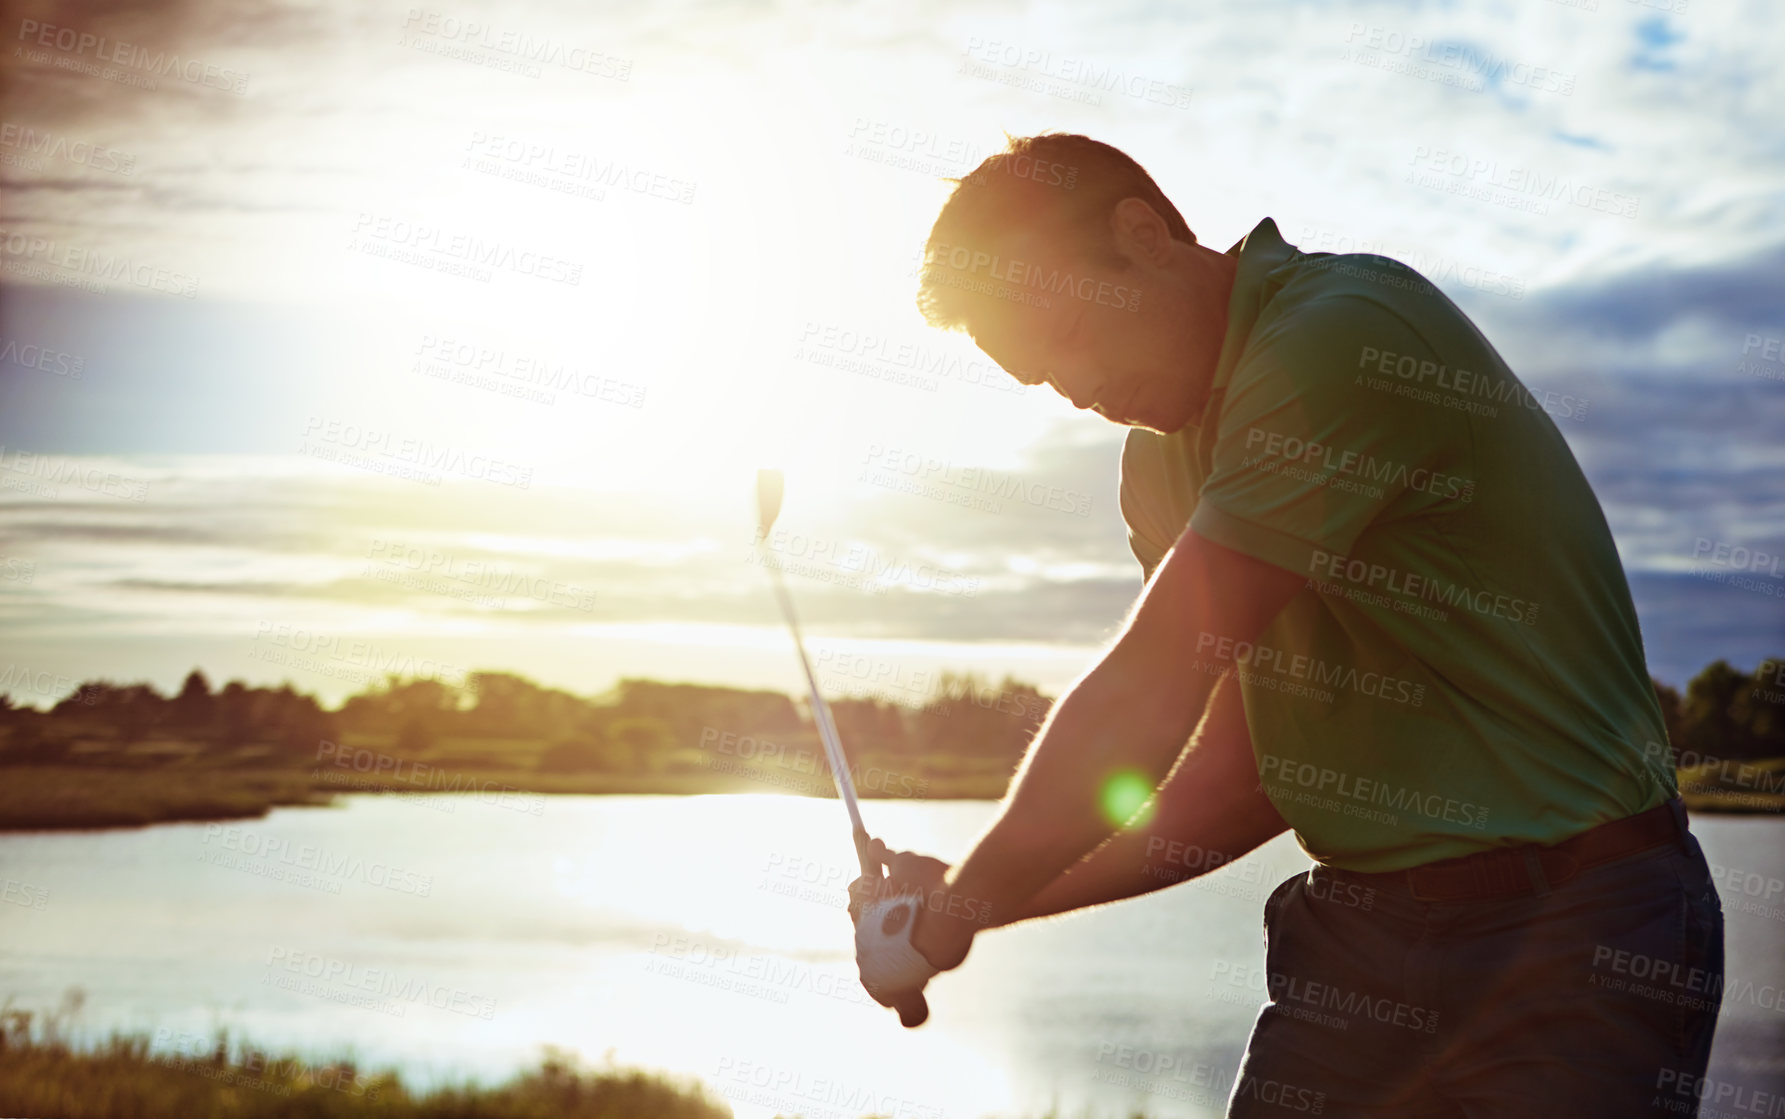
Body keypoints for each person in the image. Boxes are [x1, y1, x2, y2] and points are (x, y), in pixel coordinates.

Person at [846, 132, 1724, 1118]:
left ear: (1141, 236)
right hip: (1357, 936)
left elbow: (1155, 678)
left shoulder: (1345, 334)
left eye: (1070, 338)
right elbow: (1237, 780)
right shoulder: (1156, 467)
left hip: (1581, 929)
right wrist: (969, 898)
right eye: (1040, 380)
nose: (1078, 391)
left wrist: (959, 908)